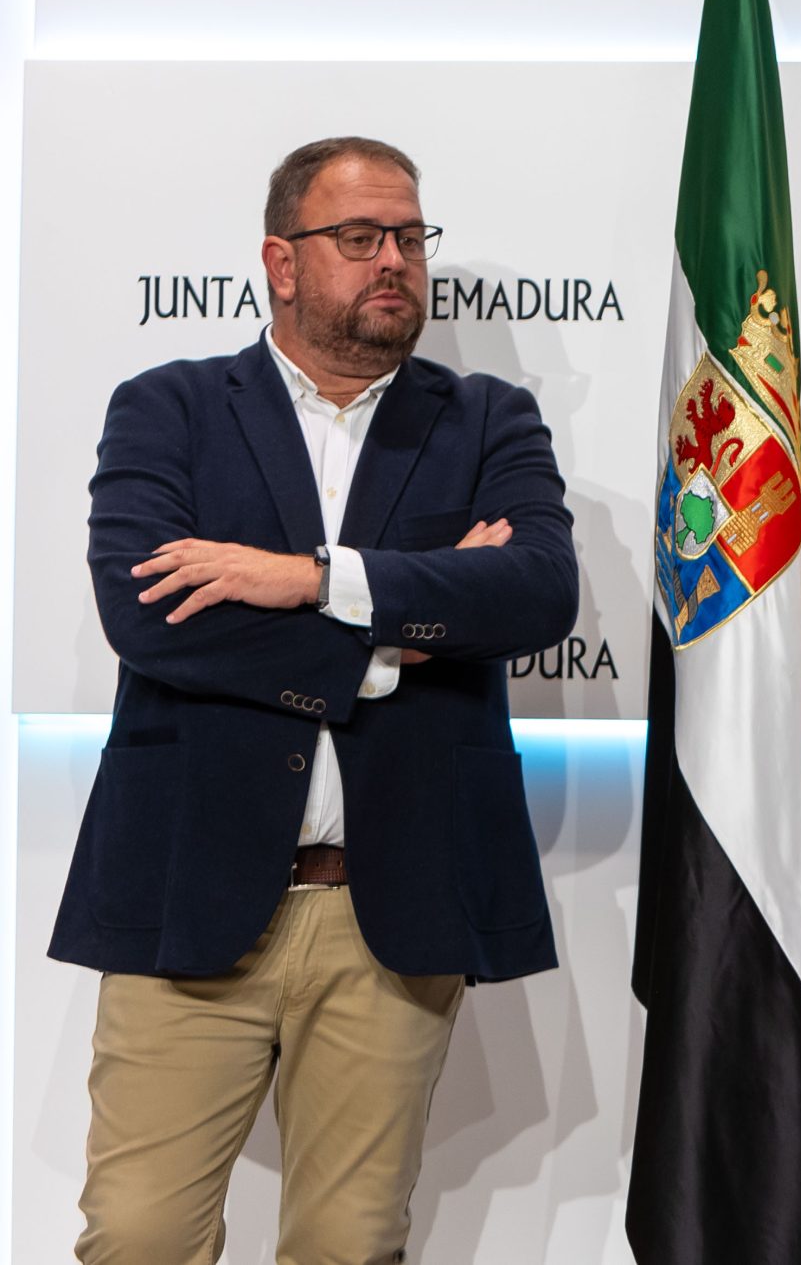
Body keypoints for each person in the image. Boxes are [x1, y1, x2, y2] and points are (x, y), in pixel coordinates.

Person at [54, 137, 578, 1264]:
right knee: (137, 1239)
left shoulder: (487, 418)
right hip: (186, 899)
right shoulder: (170, 410)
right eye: (359, 239)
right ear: (280, 262)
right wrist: (395, 646)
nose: (393, 260)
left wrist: (307, 579)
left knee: (349, 1246)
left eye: (409, 237)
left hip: (388, 911)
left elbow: (533, 593)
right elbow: (150, 615)